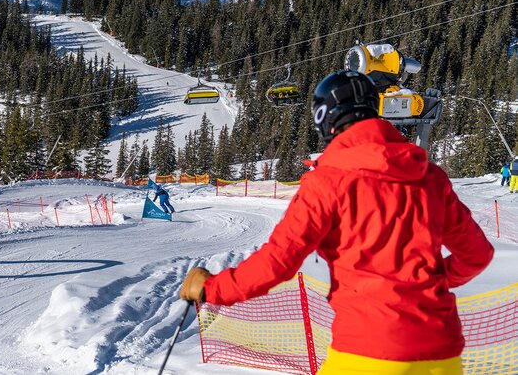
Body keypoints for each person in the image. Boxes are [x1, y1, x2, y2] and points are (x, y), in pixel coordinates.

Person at [179, 70, 494, 374]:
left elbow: (278, 263)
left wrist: (213, 289)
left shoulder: (327, 183)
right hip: (441, 351)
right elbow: (477, 255)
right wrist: (425, 285)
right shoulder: (430, 177)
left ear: (325, 119)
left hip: (368, 350)